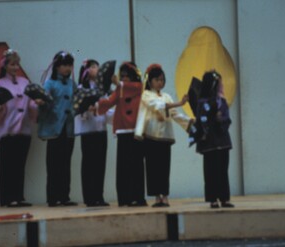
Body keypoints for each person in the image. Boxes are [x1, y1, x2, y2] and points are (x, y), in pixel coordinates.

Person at [135, 64, 193, 207]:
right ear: (150, 81)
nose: (160, 82)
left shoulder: (167, 96)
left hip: (165, 137)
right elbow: (157, 105)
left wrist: (190, 122)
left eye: (162, 80)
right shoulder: (146, 95)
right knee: (153, 168)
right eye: (157, 80)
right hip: (151, 135)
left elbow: (175, 114)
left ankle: (165, 196)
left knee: (164, 168)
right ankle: (157, 197)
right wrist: (179, 103)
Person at [92, 61, 147, 207]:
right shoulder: (120, 89)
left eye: (126, 76)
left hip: (137, 130)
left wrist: (119, 84)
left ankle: (139, 197)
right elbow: (109, 102)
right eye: (122, 76)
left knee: (137, 165)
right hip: (123, 130)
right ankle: (124, 198)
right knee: (123, 166)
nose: (123, 79)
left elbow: (134, 88)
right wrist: (96, 106)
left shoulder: (139, 87)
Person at [0, 49, 37, 207]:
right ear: (5, 66)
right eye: (12, 64)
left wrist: (36, 104)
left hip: (23, 130)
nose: (15, 67)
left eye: (17, 64)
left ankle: (19, 196)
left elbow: (30, 103)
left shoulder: (25, 82)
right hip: (7, 131)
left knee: (20, 165)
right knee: (7, 166)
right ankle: (8, 198)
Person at [37, 51, 78, 207]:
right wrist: (42, 103)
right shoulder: (50, 83)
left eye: (69, 65)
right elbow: (44, 103)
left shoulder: (72, 84)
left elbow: (76, 102)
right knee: (54, 164)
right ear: (57, 66)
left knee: (66, 164)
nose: (67, 68)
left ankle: (64, 196)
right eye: (64, 65)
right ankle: (53, 197)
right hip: (55, 128)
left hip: (68, 128)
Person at [74, 59, 112, 207]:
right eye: (93, 67)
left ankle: (99, 196)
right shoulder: (80, 88)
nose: (96, 69)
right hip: (87, 130)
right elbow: (77, 108)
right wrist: (85, 110)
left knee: (100, 163)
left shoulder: (103, 88)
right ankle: (89, 197)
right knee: (89, 163)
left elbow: (108, 106)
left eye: (97, 66)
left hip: (101, 128)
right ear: (86, 70)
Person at [193, 70, 234, 208]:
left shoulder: (222, 101)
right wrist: (211, 119)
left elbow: (227, 119)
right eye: (219, 83)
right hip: (209, 141)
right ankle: (212, 199)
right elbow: (201, 120)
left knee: (223, 170)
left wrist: (221, 120)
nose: (221, 85)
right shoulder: (202, 102)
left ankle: (224, 198)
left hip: (222, 140)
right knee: (211, 171)